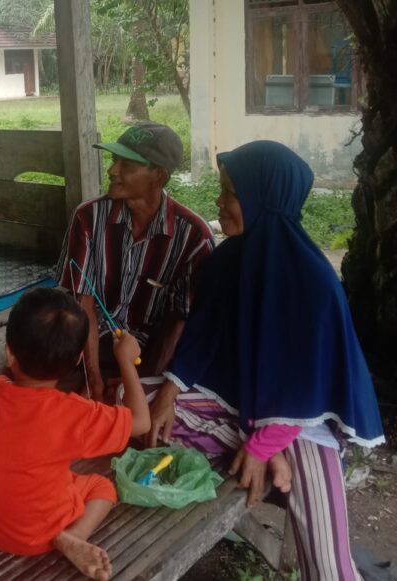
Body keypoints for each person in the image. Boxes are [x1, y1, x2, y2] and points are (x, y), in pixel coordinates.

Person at [146, 141, 385, 581]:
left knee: (328, 569)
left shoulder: (313, 282)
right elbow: (202, 340)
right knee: (135, 402)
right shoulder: (227, 261)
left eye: (230, 192)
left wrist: (262, 447)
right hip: (239, 405)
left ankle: (273, 459)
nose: (218, 202)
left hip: (303, 427)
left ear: (264, 198)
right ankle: (257, 450)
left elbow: (304, 389)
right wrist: (169, 391)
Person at [0, 288, 151, 580]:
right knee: (102, 487)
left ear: (9, 351)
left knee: (50, 474)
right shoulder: (74, 415)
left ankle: (65, 534)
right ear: (76, 361)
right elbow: (142, 421)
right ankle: (74, 536)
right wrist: (125, 359)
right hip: (35, 537)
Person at [57, 121, 214, 402]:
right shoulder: (88, 218)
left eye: (127, 165)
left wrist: (143, 382)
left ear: (159, 176)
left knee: (149, 419)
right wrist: (93, 378)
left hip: (152, 356)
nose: (112, 170)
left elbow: (180, 321)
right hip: (92, 344)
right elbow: (84, 303)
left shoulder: (193, 236)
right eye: (114, 160)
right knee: (54, 399)